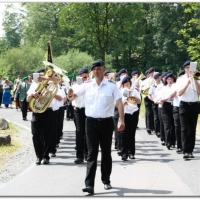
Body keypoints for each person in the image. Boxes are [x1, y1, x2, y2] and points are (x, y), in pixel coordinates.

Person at [67, 60, 125, 194]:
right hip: (91, 122)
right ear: (92, 71)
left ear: (103, 70)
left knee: (106, 152)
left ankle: (106, 180)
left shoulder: (111, 86)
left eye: (99, 69)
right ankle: (89, 185)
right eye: (94, 69)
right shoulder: (87, 85)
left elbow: (119, 103)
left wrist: (121, 119)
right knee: (92, 153)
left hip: (106, 122)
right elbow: (72, 98)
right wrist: (70, 93)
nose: (96, 71)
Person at [26, 68, 61, 165]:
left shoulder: (51, 83)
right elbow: (27, 99)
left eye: (43, 75)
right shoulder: (34, 84)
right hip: (36, 112)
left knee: (47, 135)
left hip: (48, 111)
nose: (41, 77)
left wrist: (47, 78)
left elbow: (58, 80)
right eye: (39, 76)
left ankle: (46, 156)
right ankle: (38, 156)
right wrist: (33, 94)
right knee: (35, 134)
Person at [176, 60, 200, 159]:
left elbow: (199, 90)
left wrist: (194, 79)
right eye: (187, 68)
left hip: (194, 105)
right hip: (184, 105)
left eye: (190, 67)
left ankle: (190, 150)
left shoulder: (197, 77)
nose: (189, 69)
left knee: (192, 128)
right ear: (184, 69)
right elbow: (179, 93)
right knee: (184, 128)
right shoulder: (180, 79)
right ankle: (185, 150)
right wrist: (187, 83)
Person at [120, 76, 141, 161]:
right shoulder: (121, 92)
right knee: (124, 133)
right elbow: (117, 103)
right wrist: (123, 103)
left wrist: (134, 98)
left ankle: (131, 152)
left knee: (132, 134)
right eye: (125, 83)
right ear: (123, 85)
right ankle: (124, 153)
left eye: (128, 83)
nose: (127, 85)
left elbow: (139, 102)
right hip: (125, 113)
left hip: (133, 112)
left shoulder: (134, 91)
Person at [72, 67, 89, 164]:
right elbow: (71, 99)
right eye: (82, 78)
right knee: (79, 133)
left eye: (86, 77)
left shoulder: (91, 85)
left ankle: (87, 154)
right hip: (78, 110)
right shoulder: (75, 86)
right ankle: (79, 156)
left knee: (88, 133)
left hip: (88, 111)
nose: (84, 79)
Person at [159, 73, 176, 150]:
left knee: (174, 124)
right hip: (166, 106)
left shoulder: (176, 87)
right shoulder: (164, 88)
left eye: (171, 79)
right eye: (168, 79)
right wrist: (168, 97)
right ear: (166, 80)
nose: (170, 80)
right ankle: (167, 141)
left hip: (174, 106)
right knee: (167, 125)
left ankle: (173, 141)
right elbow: (160, 99)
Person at [148, 73, 162, 137]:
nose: (159, 79)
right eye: (157, 78)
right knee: (156, 118)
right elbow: (149, 95)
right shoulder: (152, 86)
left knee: (161, 118)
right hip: (155, 103)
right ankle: (157, 131)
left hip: (161, 103)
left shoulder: (163, 85)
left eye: (159, 78)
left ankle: (162, 131)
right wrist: (153, 100)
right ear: (155, 79)